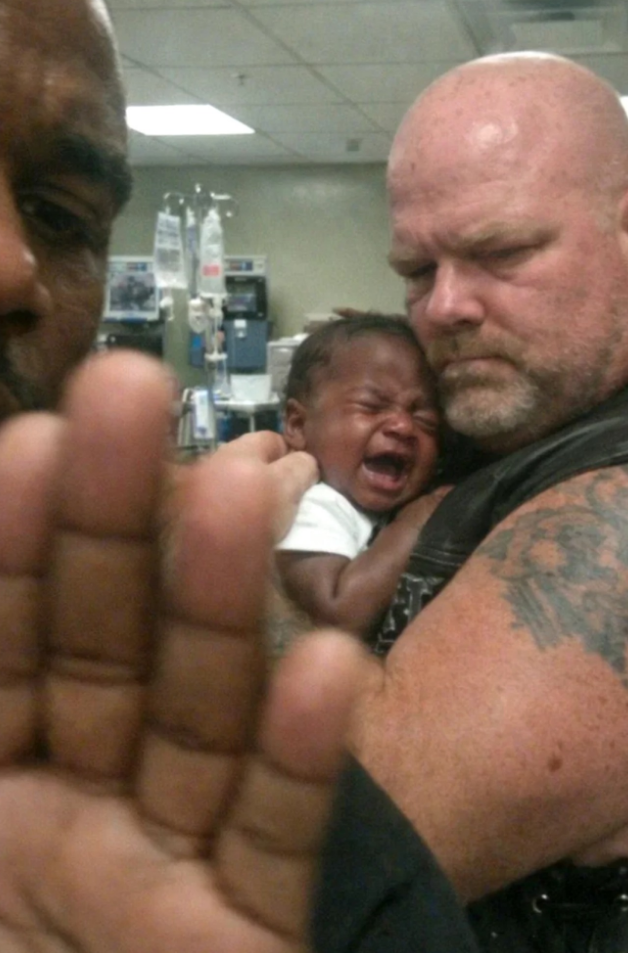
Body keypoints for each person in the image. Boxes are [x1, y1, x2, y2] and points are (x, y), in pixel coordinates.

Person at [0, 1, 481, 952]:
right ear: (298, 423)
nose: (14, 268)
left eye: (59, 216)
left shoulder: (218, 842)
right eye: (422, 270)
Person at [337, 51, 628, 950]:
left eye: (502, 253)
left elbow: (340, 858)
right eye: (416, 270)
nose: (445, 306)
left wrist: (205, 553)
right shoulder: (546, 415)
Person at [276, 313, 446, 638]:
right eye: (371, 406)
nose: (403, 426)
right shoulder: (317, 505)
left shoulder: (374, 510)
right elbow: (336, 612)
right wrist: (421, 517)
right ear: (298, 425)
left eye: (425, 419)